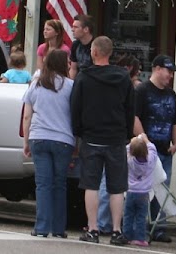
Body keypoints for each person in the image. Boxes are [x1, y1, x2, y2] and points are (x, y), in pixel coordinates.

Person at [70, 35, 135, 245]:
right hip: (116, 137)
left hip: (91, 137)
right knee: (116, 187)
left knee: (91, 184)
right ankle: (116, 231)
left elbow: (75, 107)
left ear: (95, 52)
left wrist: (78, 132)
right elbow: (129, 109)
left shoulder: (84, 77)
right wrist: (126, 133)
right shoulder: (123, 77)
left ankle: (93, 229)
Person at [23, 48, 75, 239]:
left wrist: (26, 142)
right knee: (59, 184)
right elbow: (75, 115)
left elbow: (27, 115)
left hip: (39, 136)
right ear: (62, 64)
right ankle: (59, 228)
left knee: (43, 184)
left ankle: (42, 227)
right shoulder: (70, 86)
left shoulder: (36, 84)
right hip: (63, 140)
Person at [133, 54, 176, 243]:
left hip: (164, 150)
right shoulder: (142, 90)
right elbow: (134, 117)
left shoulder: (171, 94)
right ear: (156, 69)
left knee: (162, 189)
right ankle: (141, 227)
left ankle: (159, 227)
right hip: (146, 151)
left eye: (172, 72)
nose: (170, 75)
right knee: (145, 190)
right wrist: (144, 141)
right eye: (168, 71)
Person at [124, 133, 158, 246]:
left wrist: (133, 141)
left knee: (128, 215)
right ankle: (140, 238)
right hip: (144, 193)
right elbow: (153, 148)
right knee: (141, 217)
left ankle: (127, 236)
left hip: (131, 191)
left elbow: (127, 149)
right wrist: (145, 139)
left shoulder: (129, 160)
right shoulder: (151, 161)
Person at [68, 14, 94, 79]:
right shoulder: (75, 45)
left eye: (76, 27)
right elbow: (73, 69)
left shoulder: (96, 44)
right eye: (72, 27)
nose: (72, 29)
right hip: (79, 81)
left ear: (86, 29)